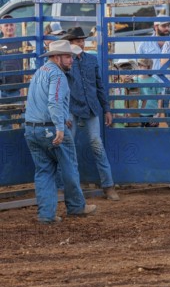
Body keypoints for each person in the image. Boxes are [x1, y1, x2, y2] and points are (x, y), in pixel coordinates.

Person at [24, 40, 97, 224]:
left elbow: (38, 101)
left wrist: (62, 117)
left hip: (32, 129)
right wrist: (59, 126)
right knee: (69, 166)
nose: (71, 60)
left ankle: (46, 215)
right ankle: (76, 206)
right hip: (50, 128)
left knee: (43, 171)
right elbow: (54, 101)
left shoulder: (39, 72)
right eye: (67, 56)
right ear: (56, 57)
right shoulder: (58, 76)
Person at [61, 27, 119, 201]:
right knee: (68, 148)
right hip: (71, 108)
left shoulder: (91, 60)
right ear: (70, 44)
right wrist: (63, 114)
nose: (81, 43)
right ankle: (69, 187)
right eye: (77, 41)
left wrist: (106, 109)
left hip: (90, 107)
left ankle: (108, 186)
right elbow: (60, 90)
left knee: (95, 144)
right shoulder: (65, 63)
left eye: (82, 40)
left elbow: (99, 86)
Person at [0, 14, 24, 130]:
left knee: (20, 121)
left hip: (19, 90)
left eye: (11, 24)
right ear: (1, 28)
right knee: (4, 122)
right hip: (2, 90)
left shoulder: (24, 43)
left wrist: (25, 89)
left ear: (15, 26)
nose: (9, 27)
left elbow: (30, 64)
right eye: (6, 25)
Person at [135, 58, 161, 127]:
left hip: (152, 114)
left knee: (152, 136)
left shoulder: (154, 81)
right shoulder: (134, 80)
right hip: (138, 114)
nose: (140, 68)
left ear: (149, 67)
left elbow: (160, 99)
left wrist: (158, 114)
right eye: (139, 65)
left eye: (143, 66)